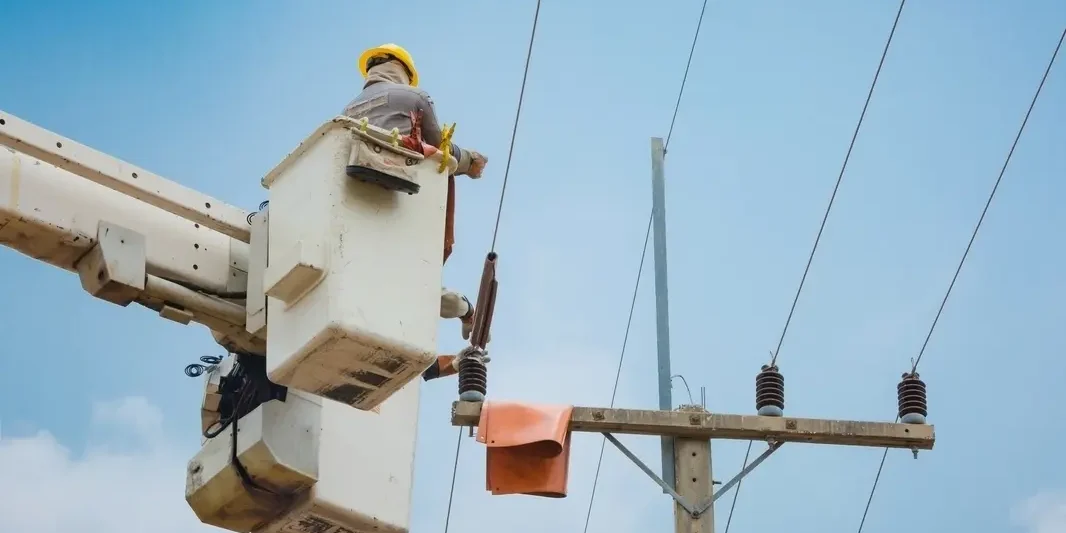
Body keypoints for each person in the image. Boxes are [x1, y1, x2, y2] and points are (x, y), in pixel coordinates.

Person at [341, 43, 489, 382]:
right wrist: (470, 162)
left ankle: (462, 313)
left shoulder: (346, 111)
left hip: (353, 214)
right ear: (404, 71)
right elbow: (441, 150)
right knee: (411, 285)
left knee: (392, 294)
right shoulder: (413, 98)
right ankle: (466, 308)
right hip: (397, 202)